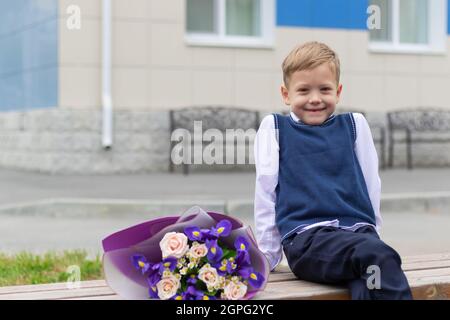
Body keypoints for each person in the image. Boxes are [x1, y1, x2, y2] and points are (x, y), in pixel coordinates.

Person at [253, 41, 412, 299]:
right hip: (307, 240)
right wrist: (268, 255)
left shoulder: (355, 125)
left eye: (324, 89)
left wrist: (373, 235)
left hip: (359, 238)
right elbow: (265, 193)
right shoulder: (275, 128)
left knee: (367, 283)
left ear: (338, 92)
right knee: (377, 258)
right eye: (303, 90)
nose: (315, 99)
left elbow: (372, 184)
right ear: (286, 94)